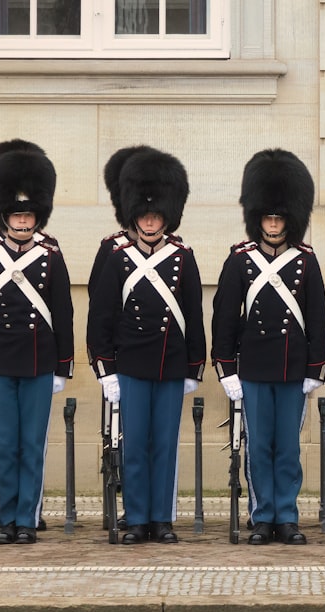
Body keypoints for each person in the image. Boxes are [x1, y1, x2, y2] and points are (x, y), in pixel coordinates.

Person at [0, 139, 73, 545]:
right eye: (17, 214)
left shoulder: (51, 253)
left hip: (39, 364)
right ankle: (6, 519)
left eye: (29, 214)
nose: (23, 220)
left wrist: (62, 366)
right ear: (5, 214)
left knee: (31, 445)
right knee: (4, 446)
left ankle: (27, 519)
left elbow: (63, 313)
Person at [87, 147, 205, 545]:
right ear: (133, 216)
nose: (151, 220)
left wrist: (194, 367)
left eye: (157, 215)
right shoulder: (116, 256)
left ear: (167, 217)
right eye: (145, 214)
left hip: (170, 366)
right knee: (135, 446)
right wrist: (106, 370)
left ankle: (162, 518)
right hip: (132, 366)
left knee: (165, 447)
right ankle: (136, 517)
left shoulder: (183, 256)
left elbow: (193, 314)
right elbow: (100, 315)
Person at [212, 148, 325, 546]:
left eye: (280, 217)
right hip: (256, 370)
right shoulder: (241, 261)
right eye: (268, 216)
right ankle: (262, 515)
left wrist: (316, 368)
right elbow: (225, 316)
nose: (274, 223)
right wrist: (227, 369)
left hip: (293, 369)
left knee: (289, 449)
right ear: (257, 217)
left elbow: (316, 318)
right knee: (259, 448)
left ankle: (287, 516)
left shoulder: (306, 261)